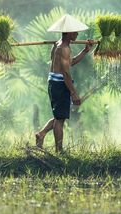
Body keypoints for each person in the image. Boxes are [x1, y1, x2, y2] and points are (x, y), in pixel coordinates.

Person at [35, 14, 94, 152]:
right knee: (60, 120)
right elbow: (66, 73)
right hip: (60, 84)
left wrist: (85, 51)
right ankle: (59, 150)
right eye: (75, 32)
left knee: (59, 116)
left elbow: (70, 62)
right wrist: (74, 93)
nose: (77, 34)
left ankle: (41, 134)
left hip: (54, 82)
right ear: (68, 33)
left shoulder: (58, 45)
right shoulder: (64, 48)